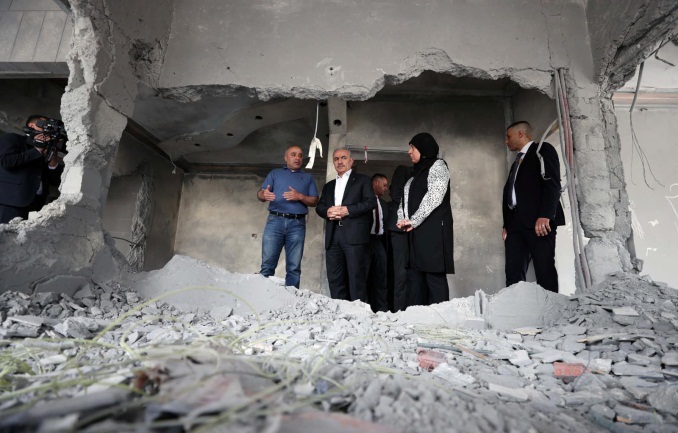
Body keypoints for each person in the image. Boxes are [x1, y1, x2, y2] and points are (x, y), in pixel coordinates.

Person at [502, 121, 565, 293]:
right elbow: (513, 192)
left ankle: (552, 314)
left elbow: (552, 184)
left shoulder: (542, 150)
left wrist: (546, 215)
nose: (506, 142)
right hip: (516, 225)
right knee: (513, 273)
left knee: (544, 270)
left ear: (520, 134)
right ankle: (516, 314)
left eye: (508, 137)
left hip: (539, 222)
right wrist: (507, 225)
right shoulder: (518, 161)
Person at [396, 133, 454, 306]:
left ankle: (442, 322)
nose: (409, 151)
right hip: (415, 234)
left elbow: (434, 197)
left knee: (433, 278)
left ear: (424, 149)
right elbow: (404, 200)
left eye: (412, 148)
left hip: (432, 233)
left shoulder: (438, 166)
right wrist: (403, 218)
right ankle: (418, 322)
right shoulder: (414, 174)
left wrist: (413, 220)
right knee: (415, 279)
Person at [316, 148, 376, 302]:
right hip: (333, 235)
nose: (340, 161)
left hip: (354, 236)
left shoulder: (362, 180)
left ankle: (359, 315)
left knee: (356, 278)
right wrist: (328, 211)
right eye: (336, 159)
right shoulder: (329, 186)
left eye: (343, 158)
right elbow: (320, 206)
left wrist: (347, 210)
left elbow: (370, 203)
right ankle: (339, 313)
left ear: (351, 161)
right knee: (335, 278)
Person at [257, 145, 319, 288]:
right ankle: (263, 299)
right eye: (293, 154)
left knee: (294, 268)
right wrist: (263, 194)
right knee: (267, 265)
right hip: (274, 222)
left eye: (300, 155)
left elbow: (314, 201)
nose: (297, 158)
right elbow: (260, 194)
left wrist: (300, 196)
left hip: (297, 224)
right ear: (286, 158)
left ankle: (292, 304)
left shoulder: (307, 178)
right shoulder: (275, 173)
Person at [0, 115, 63, 224]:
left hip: (36, 206)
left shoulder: (48, 148)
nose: (47, 129)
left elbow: (56, 181)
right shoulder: (13, 138)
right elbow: (6, 162)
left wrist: (53, 159)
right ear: (31, 125)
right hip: (11, 202)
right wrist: (37, 150)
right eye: (44, 125)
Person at [386, 165, 412, 311]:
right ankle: (398, 311)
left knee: (411, 274)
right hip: (399, 228)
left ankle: (409, 310)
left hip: (413, 229)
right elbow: (396, 194)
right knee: (400, 273)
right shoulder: (404, 169)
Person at [366, 173, 389, 312]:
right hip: (365, 242)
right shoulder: (363, 201)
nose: (386, 189)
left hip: (379, 242)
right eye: (384, 185)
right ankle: (365, 309)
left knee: (381, 278)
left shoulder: (384, 205)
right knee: (364, 277)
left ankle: (382, 310)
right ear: (375, 183)